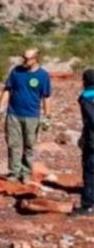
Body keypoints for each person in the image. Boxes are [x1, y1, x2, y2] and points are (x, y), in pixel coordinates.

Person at [0, 48, 52, 184]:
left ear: (36, 59)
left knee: (29, 146)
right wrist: (0, 107)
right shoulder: (16, 71)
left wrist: (47, 116)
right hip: (13, 113)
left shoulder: (43, 75)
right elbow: (8, 89)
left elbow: (46, 97)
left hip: (32, 115)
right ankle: (14, 172)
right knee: (13, 144)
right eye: (23, 58)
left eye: (27, 59)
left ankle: (26, 173)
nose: (24, 61)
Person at [72, 69, 94, 217]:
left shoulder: (86, 97)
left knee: (90, 170)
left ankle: (87, 205)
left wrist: (84, 138)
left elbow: (91, 120)